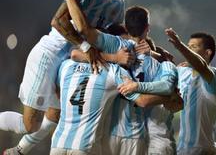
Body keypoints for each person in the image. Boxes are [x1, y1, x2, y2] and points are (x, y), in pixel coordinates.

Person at [1, 0, 132, 155]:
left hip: (69, 60)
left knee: (55, 114)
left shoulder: (119, 6)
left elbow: (111, 34)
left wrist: (143, 44)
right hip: (49, 55)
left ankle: (17, 151)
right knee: (29, 125)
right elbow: (57, 22)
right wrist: (86, 46)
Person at [50, 57, 178, 155]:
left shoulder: (66, 65)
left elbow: (57, 89)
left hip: (57, 143)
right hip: (86, 146)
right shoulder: (112, 70)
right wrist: (170, 96)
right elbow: (142, 101)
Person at [165, 28, 216, 155]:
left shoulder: (214, 76)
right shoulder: (183, 71)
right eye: (188, 46)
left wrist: (180, 46)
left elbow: (201, 66)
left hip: (203, 150)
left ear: (207, 53)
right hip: (182, 150)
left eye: (194, 47)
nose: (189, 50)